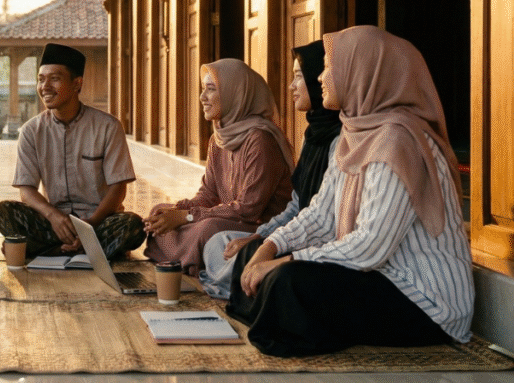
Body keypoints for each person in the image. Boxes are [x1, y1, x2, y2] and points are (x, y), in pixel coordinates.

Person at [227, 26, 473, 357]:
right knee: (253, 255)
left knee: (290, 281)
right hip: (379, 277)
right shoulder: (354, 132)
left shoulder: (398, 142)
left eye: (330, 66)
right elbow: (321, 215)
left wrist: (286, 260)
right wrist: (270, 246)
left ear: (361, 72)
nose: (321, 77)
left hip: (423, 301)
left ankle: (283, 319)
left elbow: (369, 246)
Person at [199, 41, 341, 298]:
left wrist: (268, 243)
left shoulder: (341, 140)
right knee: (217, 243)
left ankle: (234, 283)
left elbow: (321, 220)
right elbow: (297, 205)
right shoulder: (312, 135)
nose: (291, 86)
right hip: (291, 232)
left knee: (218, 236)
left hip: (315, 242)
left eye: (299, 76)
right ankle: (236, 281)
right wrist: (261, 238)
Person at [0, 43, 145, 260]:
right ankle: (89, 251)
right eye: (41, 79)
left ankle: (50, 251)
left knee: (134, 225)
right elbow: (26, 190)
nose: (45, 86)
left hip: (97, 222)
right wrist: (53, 216)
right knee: (3, 212)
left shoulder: (108, 127)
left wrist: (89, 226)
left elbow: (118, 189)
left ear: (76, 83)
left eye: (54, 79)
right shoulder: (31, 131)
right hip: (54, 223)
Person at [143, 59, 293, 275]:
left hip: (258, 227)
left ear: (236, 94)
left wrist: (186, 216)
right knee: (159, 210)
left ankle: (185, 259)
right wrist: (176, 210)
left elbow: (248, 210)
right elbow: (208, 194)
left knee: (208, 229)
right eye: (203, 89)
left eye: (211, 89)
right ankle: (188, 258)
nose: (202, 97)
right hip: (229, 217)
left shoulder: (260, 140)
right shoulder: (219, 138)